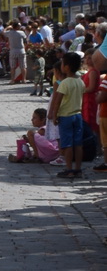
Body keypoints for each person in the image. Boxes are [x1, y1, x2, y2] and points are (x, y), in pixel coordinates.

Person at [50, 52, 86, 180]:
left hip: (65, 116)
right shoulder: (80, 82)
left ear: (67, 67)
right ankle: (78, 169)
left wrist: (54, 116)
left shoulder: (64, 83)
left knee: (67, 144)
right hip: (78, 115)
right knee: (78, 144)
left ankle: (69, 169)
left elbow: (57, 100)